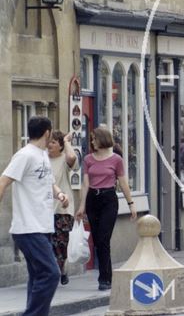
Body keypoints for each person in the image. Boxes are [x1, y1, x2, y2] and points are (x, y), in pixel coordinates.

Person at [0, 116, 70, 316]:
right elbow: (3, 181)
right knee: (51, 273)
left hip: (43, 226)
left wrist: (60, 194)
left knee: (38, 276)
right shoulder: (25, 155)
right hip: (28, 228)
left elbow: (48, 181)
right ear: (47, 132)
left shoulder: (42, 156)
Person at [75, 125, 137, 291]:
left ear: (102, 139)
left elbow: (123, 182)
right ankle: (106, 276)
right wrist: (81, 206)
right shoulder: (88, 159)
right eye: (92, 139)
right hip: (92, 200)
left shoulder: (116, 159)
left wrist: (131, 204)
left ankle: (105, 278)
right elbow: (86, 183)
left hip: (109, 199)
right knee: (97, 241)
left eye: (94, 139)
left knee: (103, 238)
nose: (92, 142)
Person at [48, 130, 79, 285]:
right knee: (48, 244)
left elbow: (72, 157)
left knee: (61, 244)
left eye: (53, 142)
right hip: (45, 209)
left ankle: (62, 271)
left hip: (63, 209)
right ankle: (52, 273)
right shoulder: (42, 160)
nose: (49, 145)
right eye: (49, 141)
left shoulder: (64, 160)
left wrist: (67, 141)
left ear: (60, 146)